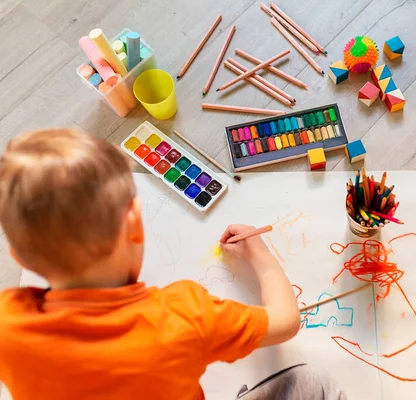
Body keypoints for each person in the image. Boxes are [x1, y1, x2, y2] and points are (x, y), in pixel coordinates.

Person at [0, 129, 345, 400]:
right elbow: (285, 323)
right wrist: (262, 258)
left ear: (18, 257)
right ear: (135, 223)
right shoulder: (183, 316)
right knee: (313, 382)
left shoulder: (7, 325)